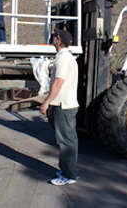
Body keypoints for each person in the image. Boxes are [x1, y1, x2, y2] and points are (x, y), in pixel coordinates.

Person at [40, 28, 79, 186]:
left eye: (55, 36)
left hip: (64, 106)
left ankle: (69, 176)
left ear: (58, 41)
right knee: (68, 141)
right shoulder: (66, 57)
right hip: (65, 105)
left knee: (66, 142)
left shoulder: (63, 58)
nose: (53, 38)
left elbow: (58, 82)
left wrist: (46, 102)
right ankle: (68, 170)